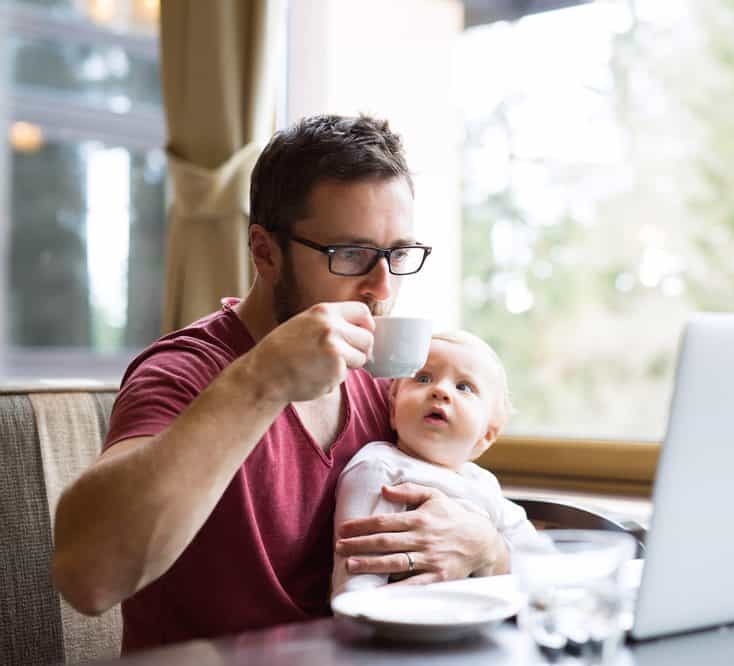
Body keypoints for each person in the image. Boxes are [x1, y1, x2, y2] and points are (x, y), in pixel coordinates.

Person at [51, 115, 511, 653]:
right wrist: (262, 380)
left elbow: (466, 530)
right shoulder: (184, 372)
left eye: (398, 255)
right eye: (352, 254)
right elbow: (88, 578)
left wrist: (485, 547)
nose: (382, 287)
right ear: (265, 251)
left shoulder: (384, 384)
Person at [332, 330, 545, 599]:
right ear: (393, 410)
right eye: (423, 377)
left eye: (464, 387)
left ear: (486, 435)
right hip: (400, 626)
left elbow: (538, 561)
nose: (440, 390)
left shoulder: (484, 484)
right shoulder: (378, 467)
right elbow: (355, 577)